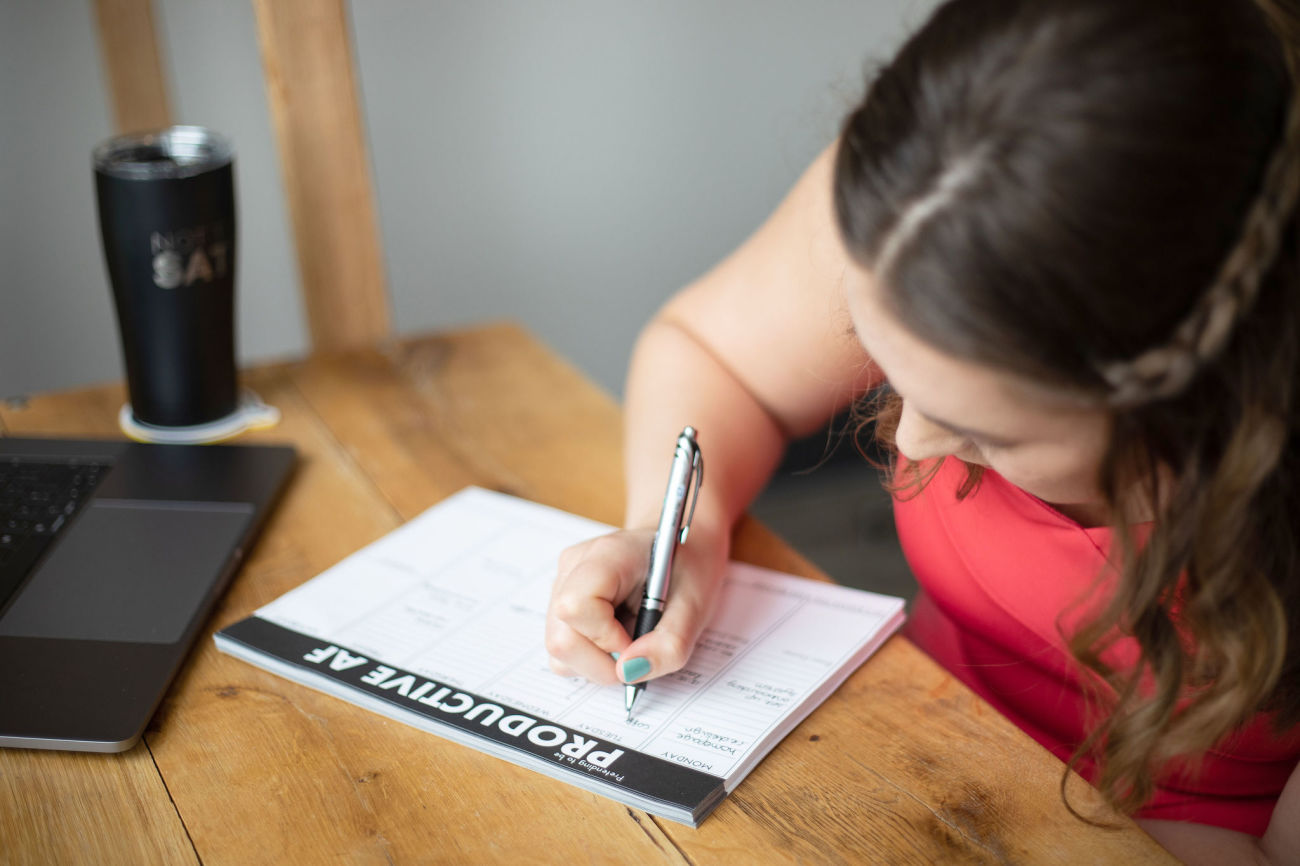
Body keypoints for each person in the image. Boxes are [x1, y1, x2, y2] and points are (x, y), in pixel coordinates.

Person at [543, 0, 1300, 861]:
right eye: (885, 361)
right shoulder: (935, 196)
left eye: (988, 433)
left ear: (1214, 407)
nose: (909, 449)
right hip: (911, 743)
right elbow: (715, 353)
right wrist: (682, 530)